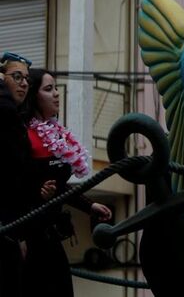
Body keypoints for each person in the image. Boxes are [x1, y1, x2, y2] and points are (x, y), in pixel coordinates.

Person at [20, 68, 112, 297]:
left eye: (56, 88)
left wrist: (89, 205)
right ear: (33, 95)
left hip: (51, 232)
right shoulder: (22, 135)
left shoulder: (55, 134)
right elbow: (15, 184)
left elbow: (60, 188)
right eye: (49, 89)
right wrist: (37, 193)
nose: (57, 94)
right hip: (28, 235)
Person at [0, 52, 33, 296]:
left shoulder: (17, 118)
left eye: (27, 79)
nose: (23, 83)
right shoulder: (5, 113)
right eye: (17, 77)